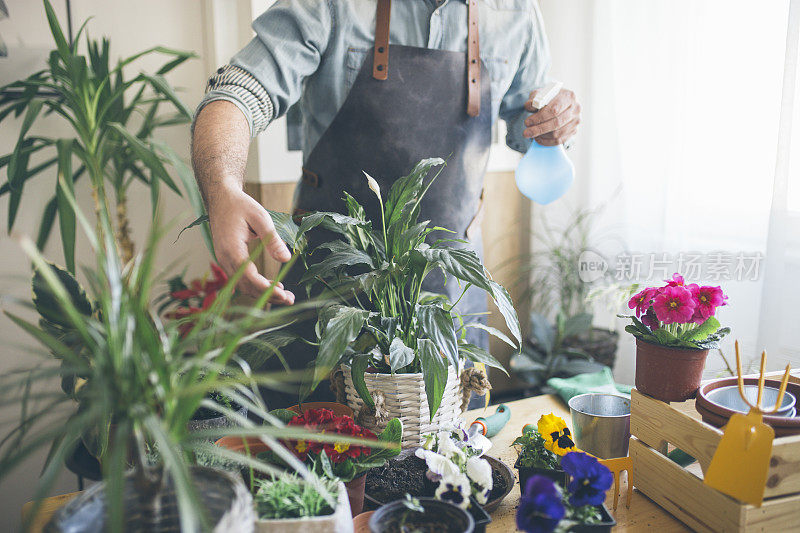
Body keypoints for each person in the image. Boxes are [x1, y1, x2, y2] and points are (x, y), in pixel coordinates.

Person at [191, 0, 581, 408]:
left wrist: (552, 123)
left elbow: (527, 113)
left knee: (454, 450)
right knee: (325, 442)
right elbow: (239, 89)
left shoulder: (517, 11)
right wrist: (222, 188)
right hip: (334, 281)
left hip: (451, 283)